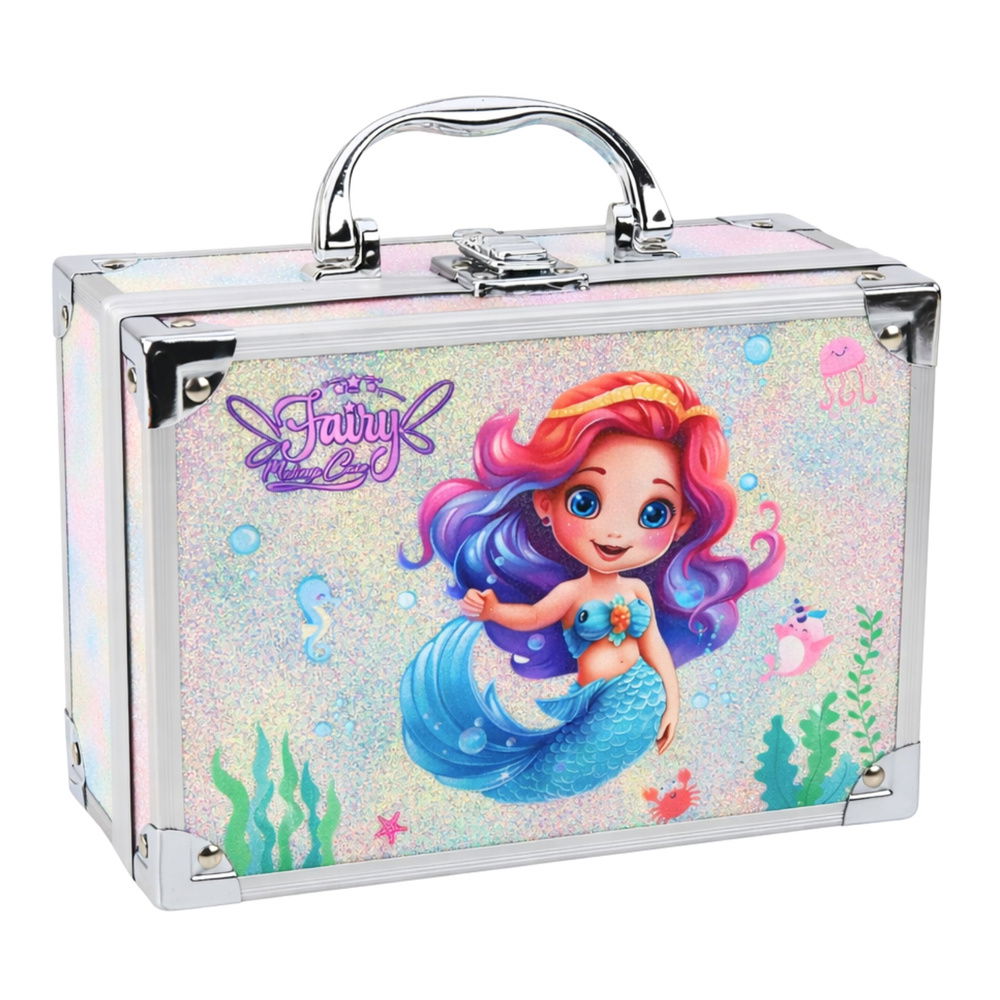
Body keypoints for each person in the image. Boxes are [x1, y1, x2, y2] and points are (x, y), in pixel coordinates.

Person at [399, 371, 784, 803]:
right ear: (545, 502)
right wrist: (492, 611)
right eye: (585, 502)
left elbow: (655, 649)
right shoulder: (572, 594)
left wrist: (672, 705)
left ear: (682, 523)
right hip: (603, 704)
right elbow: (532, 617)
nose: (616, 532)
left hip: (643, 695)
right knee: (556, 774)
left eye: (654, 513)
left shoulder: (637, 591)